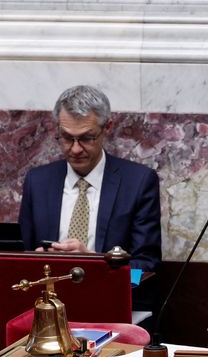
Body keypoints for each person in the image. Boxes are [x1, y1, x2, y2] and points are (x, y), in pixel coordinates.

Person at [18, 85, 162, 272]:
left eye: (86, 138)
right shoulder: (37, 182)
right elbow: (20, 254)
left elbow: (146, 266)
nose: (76, 149)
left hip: (109, 298)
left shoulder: (138, 183)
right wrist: (31, 261)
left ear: (107, 128)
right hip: (48, 297)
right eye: (67, 138)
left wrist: (94, 263)